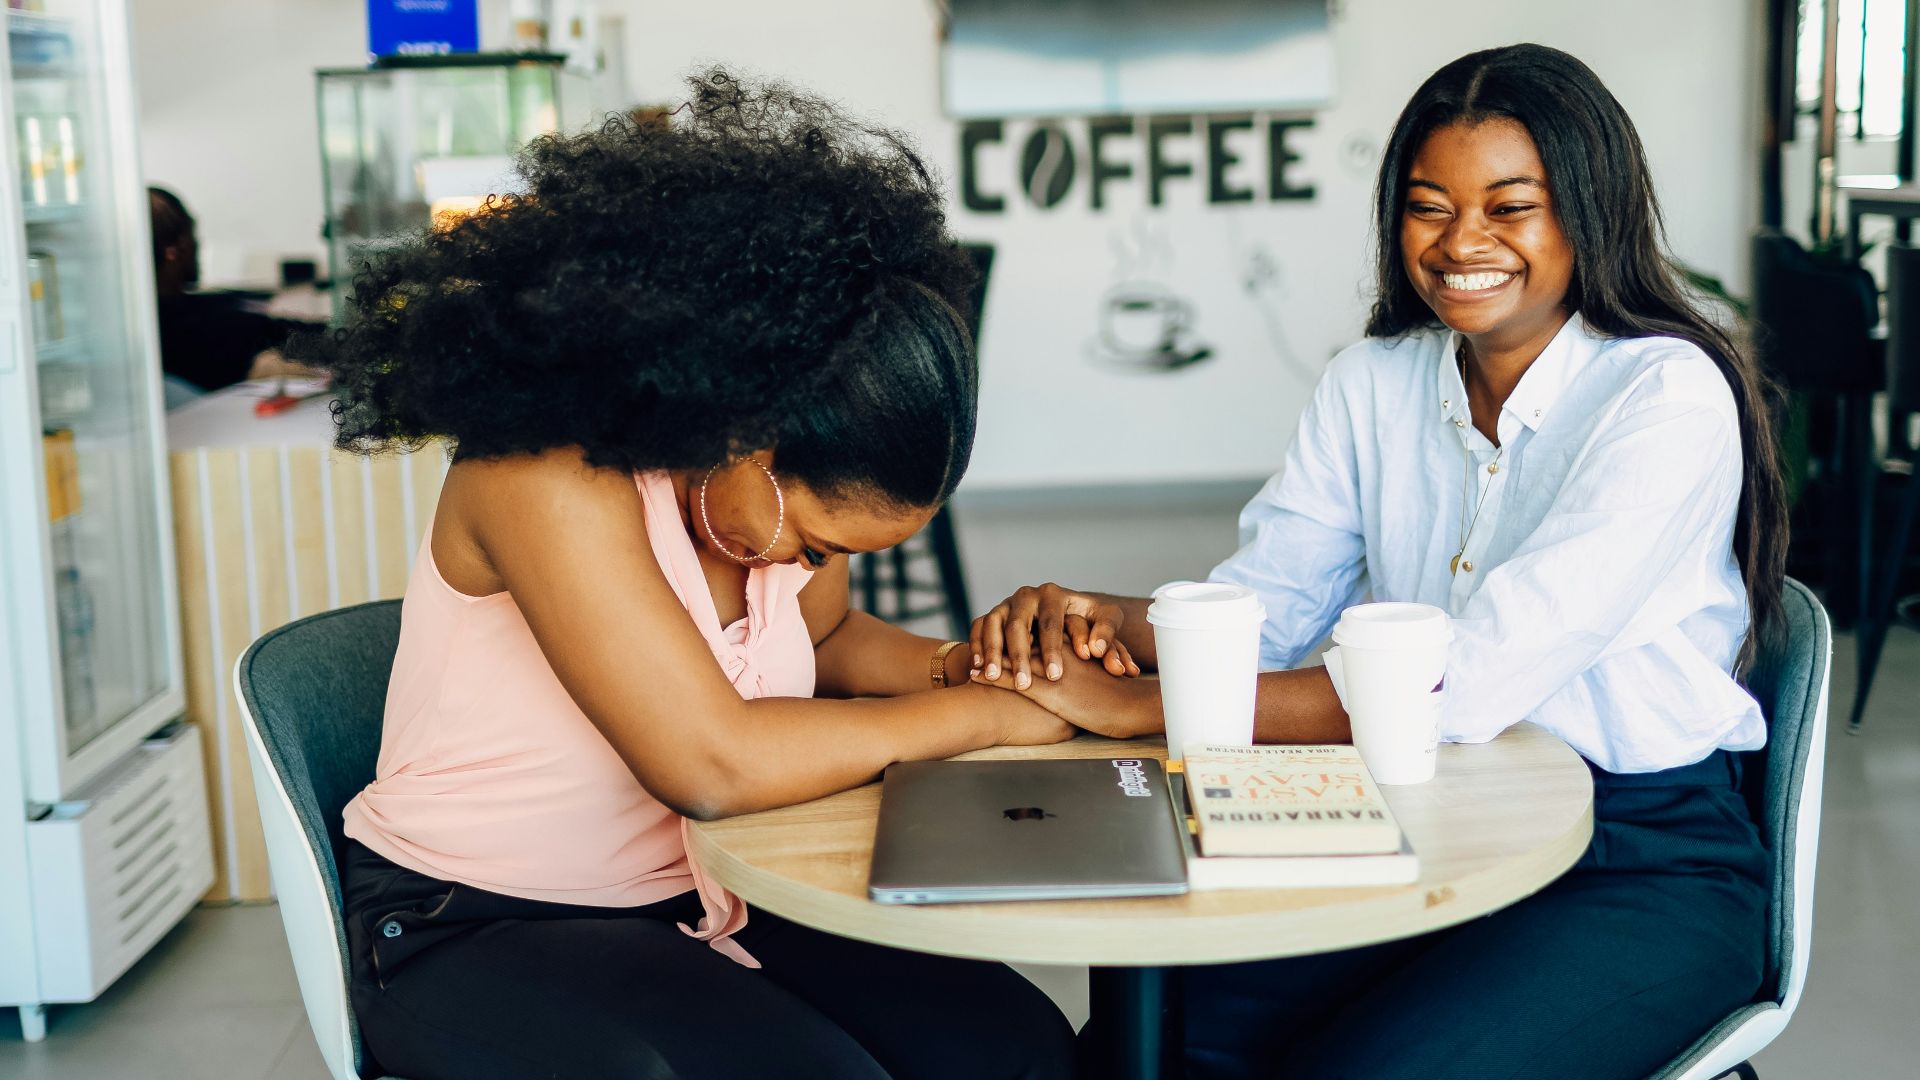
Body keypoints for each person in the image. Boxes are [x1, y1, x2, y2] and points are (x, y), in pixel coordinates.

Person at [969, 44, 1787, 1080]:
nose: (1462, 242)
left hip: (1638, 857)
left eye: (1509, 206)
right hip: (1429, 811)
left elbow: (1470, 676)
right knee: (1165, 1039)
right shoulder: (1373, 382)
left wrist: (1143, 707)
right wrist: (1100, 616)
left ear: (1588, 211)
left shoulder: (1663, 396)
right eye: (1429, 205)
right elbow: (1266, 608)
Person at [282, 72, 1077, 1079]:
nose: (810, 571)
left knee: (1014, 1050)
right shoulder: (544, 474)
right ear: (745, 427)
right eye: (818, 545)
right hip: (479, 918)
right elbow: (711, 765)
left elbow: (829, 644)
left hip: (709, 892)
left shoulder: (755, 507)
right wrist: (994, 719)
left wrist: (987, 669)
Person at [149, 186, 320, 394]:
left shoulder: (149, 329)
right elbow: (304, 336)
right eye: (190, 234)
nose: (197, 244)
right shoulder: (207, 327)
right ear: (175, 249)